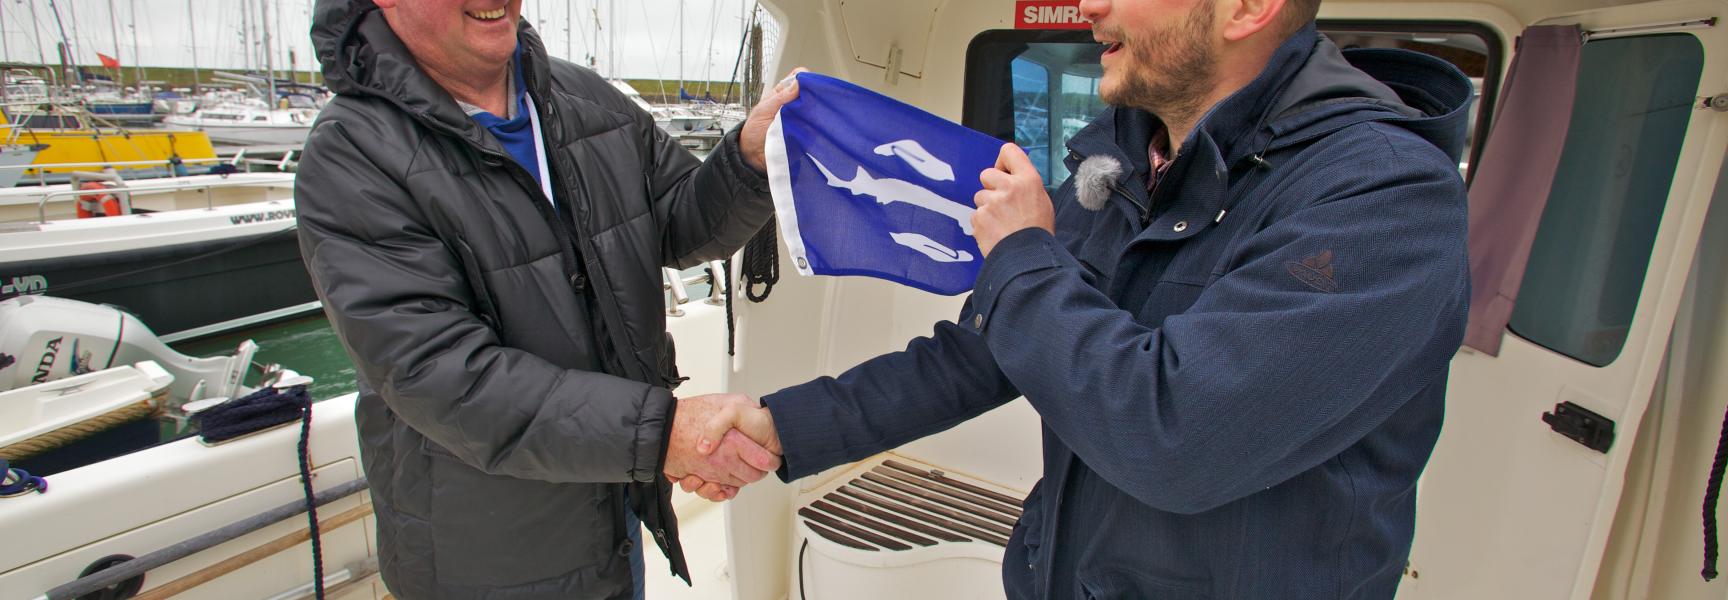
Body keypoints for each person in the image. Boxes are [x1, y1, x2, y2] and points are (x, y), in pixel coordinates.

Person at [685, 0, 1473, 596]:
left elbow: (1176, 439)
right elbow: (986, 349)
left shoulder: (1383, 196)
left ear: (1246, 8)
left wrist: (1026, 253)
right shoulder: (1131, 157)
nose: (1090, 3)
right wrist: (780, 429)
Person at [295, 0, 794, 598]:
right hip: (484, 555)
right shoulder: (351, 156)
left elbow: (678, 220)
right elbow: (442, 375)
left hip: (615, 509)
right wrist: (665, 435)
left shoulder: (585, 98)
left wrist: (746, 160)